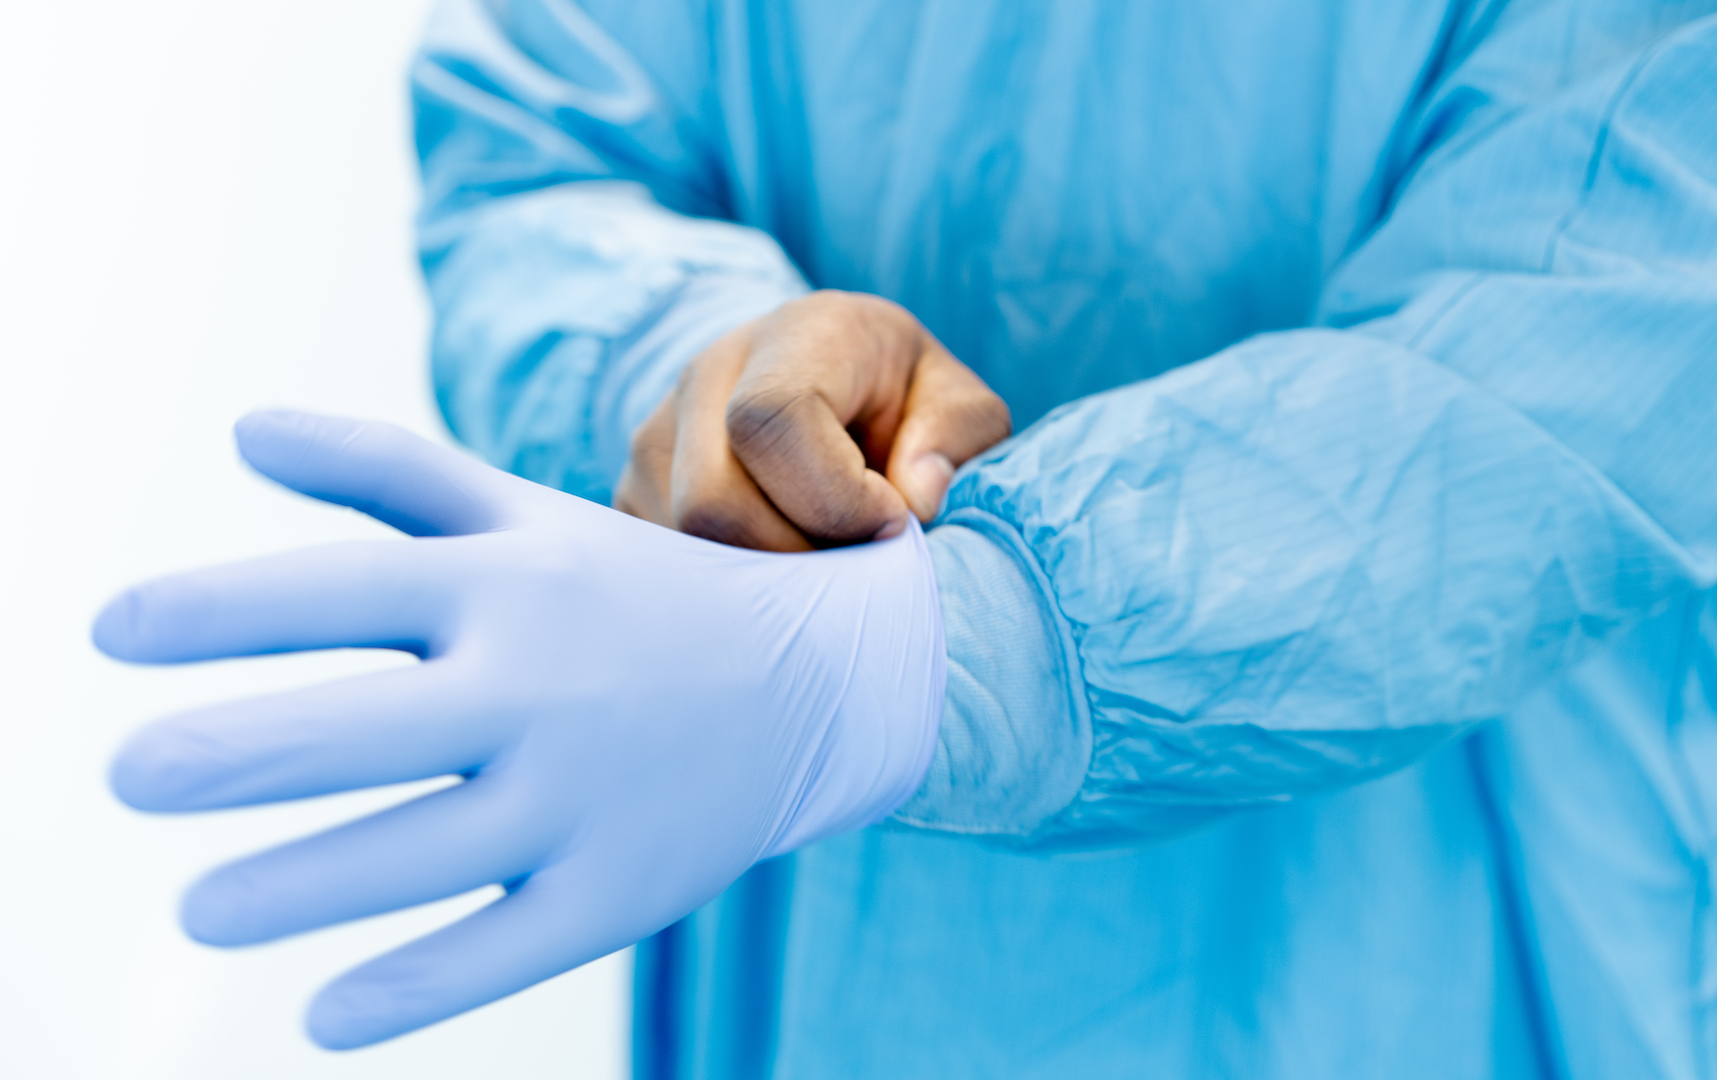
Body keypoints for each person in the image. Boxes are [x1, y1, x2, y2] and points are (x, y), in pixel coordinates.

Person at [95, 1, 1717, 1076]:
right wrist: (697, 378)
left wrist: (982, 644)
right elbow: (551, 138)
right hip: (844, 956)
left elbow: (1616, 297)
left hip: (1432, 941)